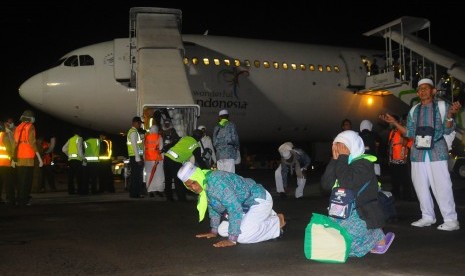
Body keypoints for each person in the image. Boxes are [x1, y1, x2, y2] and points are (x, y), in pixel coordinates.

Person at [379, 78, 461, 231]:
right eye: (419, 89)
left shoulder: (442, 106)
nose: (422, 91)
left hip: (437, 151)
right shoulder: (414, 110)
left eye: (425, 88)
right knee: (420, 186)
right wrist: (395, 123)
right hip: (417, 154)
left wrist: (450, 115)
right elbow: (409, 133)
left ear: (433, 91)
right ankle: (427, 216)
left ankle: (451, 220)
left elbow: (448, 129)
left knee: (442, 186)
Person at [177, 162, 286, 247]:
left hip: (257, 200)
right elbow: (213, 206)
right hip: (244, 207)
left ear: (198, 176)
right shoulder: (204, 180)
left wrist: (232, 240)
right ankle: (265, 216)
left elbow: (234, 209)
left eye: (194, 183)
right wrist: (214, 230)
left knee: (242, 237)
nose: (194, 188)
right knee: (222, 230)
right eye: (189, 186)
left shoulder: (216, 183)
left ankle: (276, 223)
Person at [321, 130, 395, 256]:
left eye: (343, 146)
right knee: (327, 245)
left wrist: (343, 158)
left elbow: (346, 183)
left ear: (353, 146)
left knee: (347, 248)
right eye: (337, 146)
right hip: (341, 213)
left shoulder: (364, 164)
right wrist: (334, 161)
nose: (340, 149)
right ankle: (373, 237)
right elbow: (326, 185)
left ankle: (378, 237)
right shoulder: (340, 163)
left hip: (362, 214)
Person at [163, 130, 207, 202]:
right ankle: (182, 199)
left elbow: (173, 143)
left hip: (167, 156)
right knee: (178, 180)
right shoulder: (196, 145)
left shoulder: (185, 138)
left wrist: (164, 149)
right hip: (175, 160)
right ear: (200, 138)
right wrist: (206, 170)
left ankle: (169, 198)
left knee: (168, 179)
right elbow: (200, 160)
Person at [13, 110, 43, 206]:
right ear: (31, 118)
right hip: (28, 158)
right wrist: (39, 157)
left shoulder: (18, 127)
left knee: (20, 179)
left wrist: (13, 158)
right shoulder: (31, 127)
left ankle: (19, 199)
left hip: (19, 156)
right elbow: (32, 143)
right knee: (27, 180)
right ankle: (24, 200)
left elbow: (14, 143)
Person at [387, 114, 415, 201]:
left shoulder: (405, 132)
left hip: (402, 162)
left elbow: (411, 145)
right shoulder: (393, 132)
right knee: (395, 181)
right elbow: (390, 145)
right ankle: (397, 196)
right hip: (393, 161)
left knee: (405, 181)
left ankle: (407, 197)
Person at [62, 128, 85, 195]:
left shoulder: (70, 139)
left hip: (71, 160)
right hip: (77, 160)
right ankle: (80, 191)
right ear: (79, 133)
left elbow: (63, 149)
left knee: (71, 177)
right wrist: (83, 158)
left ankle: (71, 191)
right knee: (79, 176)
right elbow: (80, 150)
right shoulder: (79, 138)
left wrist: (69, 155)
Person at [144, 124, 164, 197]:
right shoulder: (159, 137)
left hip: (148, 159)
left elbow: (144, 149)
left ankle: (150, 190)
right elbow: (161, 148)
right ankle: (159, 190)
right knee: (159, 175)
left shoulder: (146, 137)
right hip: (157, 159)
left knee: (149, 175)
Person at [127, 116, 145, 198]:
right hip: (135, 157)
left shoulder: (134, 132)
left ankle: (135, 193)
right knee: (136, 176)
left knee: (136, 176)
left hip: (134, 157)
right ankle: (135, 193)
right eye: (139, 123)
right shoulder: (133, 132)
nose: (140, 125)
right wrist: (138, 158)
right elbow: (134, 146)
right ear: (134, 123)